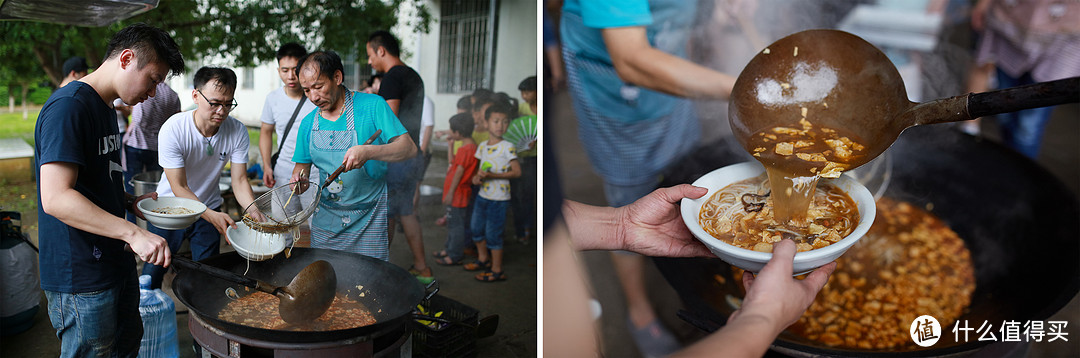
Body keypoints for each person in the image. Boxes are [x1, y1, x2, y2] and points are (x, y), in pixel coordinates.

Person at [561, 0, 738, 355]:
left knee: (683, 179)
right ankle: (639, 312)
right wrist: (746, 88)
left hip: (672, 84)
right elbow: (631, 60)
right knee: (629, 197)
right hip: (615, 95)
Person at [35, 23, 181, 357]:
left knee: (126, 346)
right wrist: (134, 233)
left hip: (114, 261)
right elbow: (56, 197)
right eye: (154, 79)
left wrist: (129, 201)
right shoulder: (69, 107)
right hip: (82, 274)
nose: (155, 92)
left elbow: (95, 180)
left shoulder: (105, 107)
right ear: (127, 59)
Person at [291, 50, 416, 261]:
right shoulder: (307, 124)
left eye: (318, 87)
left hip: (369, 219)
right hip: (326, 222)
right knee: (327, 281)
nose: (313, 97)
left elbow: (409, 148)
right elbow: (301, 168)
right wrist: (298, 180)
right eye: (306, 90)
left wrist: (368, 151)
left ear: (337, 78)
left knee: (367, 284)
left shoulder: (372, 106)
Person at [142, 67, 259, 290]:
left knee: (207, 272)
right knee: (153, 271)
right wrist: (211, 215)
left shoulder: (237, 131)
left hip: (210, 206)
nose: (221, 111)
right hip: (170, 209)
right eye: (214, 103)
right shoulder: (174, 128)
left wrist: (254, 210)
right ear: (196, 95)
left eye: (228, 104)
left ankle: (200, 319)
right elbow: (179, 186)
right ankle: (146, 313)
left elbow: (240, 181)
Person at [971, 0, 1080, 158]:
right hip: (1011, 22)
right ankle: (1008, 159)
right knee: (1004, 112)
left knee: (1028, 127)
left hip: (1065, 36)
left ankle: (1020, 172)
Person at [367, 30, 433, 283]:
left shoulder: (392, 78)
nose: (370, 62)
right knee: (404, 212)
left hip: (397, 156)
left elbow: (387, 122)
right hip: (412, 154)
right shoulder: (413, 75)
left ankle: (380, 270)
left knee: (388, 213)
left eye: (371, 55)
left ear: (381, 50)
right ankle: (421, 266)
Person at [259, 42, 320, 231]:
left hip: (315, 173)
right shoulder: (273, 99)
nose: (290, 76)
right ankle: (285, 261)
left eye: (295, 69)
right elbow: (265, 132)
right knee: (282, 228)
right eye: (285, 70)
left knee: (318, 228)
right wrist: (267, 166)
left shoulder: (317, 97)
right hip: (283, 171)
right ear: (278, 70)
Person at [466, 100, 521, 282]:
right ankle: (483, 259)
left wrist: (493, 175)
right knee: (476, 229)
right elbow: (478, 172)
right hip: (483, 196)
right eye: (496, 121)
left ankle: (497, 270)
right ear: (486, 122)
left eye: (505, 121)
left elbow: (517, 172)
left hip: (499, 199)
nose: (500, 125)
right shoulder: (482, 147)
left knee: (493, 235)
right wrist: (476, 178)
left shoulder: (507, 147)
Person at [123, 81, 181, 215]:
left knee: (132, 188)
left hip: (136, 143)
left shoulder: (143, 88)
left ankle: (135, 224)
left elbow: (138, 119)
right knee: (156, 189)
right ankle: (154, 221)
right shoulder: (172, 95)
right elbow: (175, 121)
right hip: (158, 146)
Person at [432, 113, 479, 265]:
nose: (450, 132)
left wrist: (450, 193)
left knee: (456, 226)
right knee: (452, 223)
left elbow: (458, 172)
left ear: (458, 133)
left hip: (458, 194)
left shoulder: (467, 150)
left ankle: (454, 255)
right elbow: (453, 162)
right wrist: (451, 145)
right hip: (458, 193)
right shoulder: (468, 147)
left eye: (452, 130)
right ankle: (449, 249)